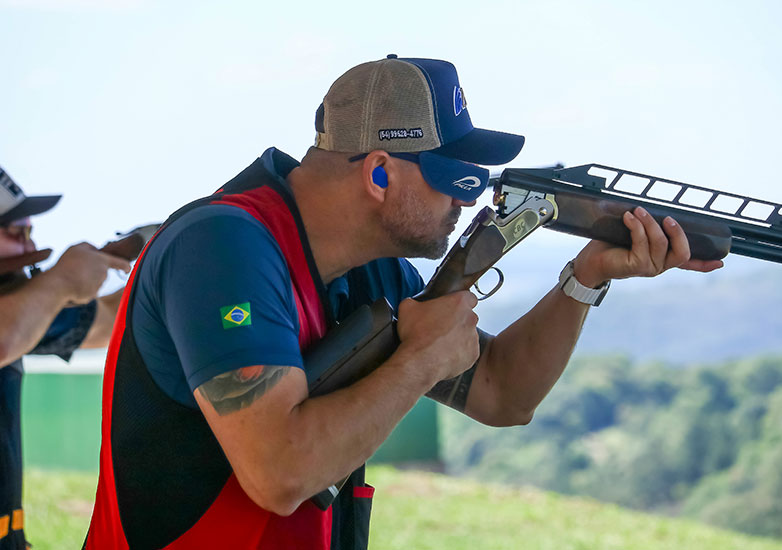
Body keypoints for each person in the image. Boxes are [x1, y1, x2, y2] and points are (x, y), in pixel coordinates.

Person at [85, 55, 723, 550]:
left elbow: (503, 395)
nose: (468, 199)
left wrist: (586, 276)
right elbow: (280, 473)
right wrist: (419, 361)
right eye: (453, 176)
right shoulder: (222, 248)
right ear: (379, 172)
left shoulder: (371, 271)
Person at [0, 166, 131, 550]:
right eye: (15, 231)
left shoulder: (19, 309)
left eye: (28, 229)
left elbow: (107, 322)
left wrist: (156, 258)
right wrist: (60, 281)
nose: (29, 245)